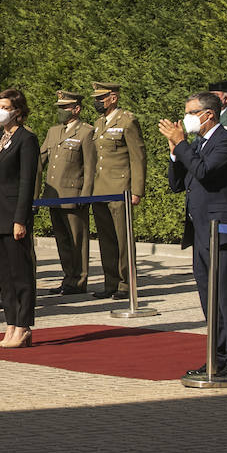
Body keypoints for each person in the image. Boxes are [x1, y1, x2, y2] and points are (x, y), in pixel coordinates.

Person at [163, 92, 227, 381]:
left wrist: (183, 145)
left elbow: (204, 171)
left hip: (221, 229)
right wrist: (175, 150)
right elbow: (177, 183)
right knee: (208, 295)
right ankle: (217, 355)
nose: (186, 118)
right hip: (200, 230)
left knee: (226, 295)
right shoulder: (197, 143)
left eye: (191, 112)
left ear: (208, 114)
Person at [0, 89, 39, 349]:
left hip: (14, 215)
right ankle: (10, 323)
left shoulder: (27, 139)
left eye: (5, 106)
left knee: (20, 273)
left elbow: (27, 182)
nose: (0, 110)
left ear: (18, 111)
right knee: (3, 275)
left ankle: (23, 326)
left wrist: (21, 219)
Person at [91, 82, 147, 299]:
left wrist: (137, 190)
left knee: (123, 239)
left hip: (120, 187)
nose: (97, 102)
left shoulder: (127, 120)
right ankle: (110, 281)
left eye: (101, 98)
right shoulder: (98, 123)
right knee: (106, 239)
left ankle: (126, 284)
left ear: (113, 98)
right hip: (100, 188)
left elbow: (138, 156)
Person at [40, 90, 96, 297]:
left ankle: (79, 279)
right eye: (59, 108)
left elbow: (90, 166)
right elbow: (40, 159)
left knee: (77, 239)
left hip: (74, 194)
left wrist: (86, 195)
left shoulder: (86, 132)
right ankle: (68, 277)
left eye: (64, 108)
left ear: (76, 109)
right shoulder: (54, 131)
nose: (61, 111)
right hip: (54, 195)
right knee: (62, 239)